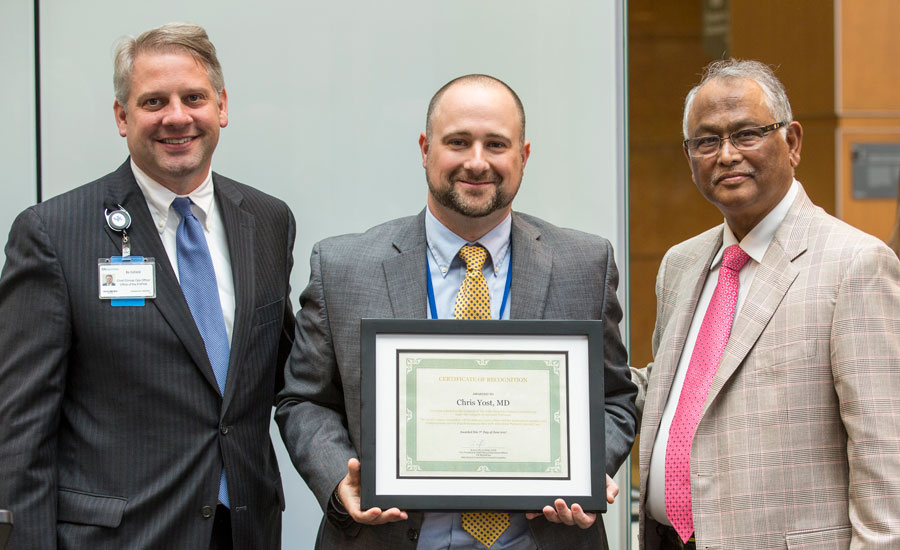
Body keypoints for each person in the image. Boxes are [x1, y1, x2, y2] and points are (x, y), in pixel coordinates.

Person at [276, 74, 637, 549]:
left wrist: (588, 472)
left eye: (496, 144)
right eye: (458, 142)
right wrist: (338, 478)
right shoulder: (342, 267)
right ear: (426, 149)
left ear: (523, 157)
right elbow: (303, 399)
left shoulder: (584, 264)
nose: (476, 161)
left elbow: (615, 399)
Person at [0, 23, 295, 549]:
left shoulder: (268, 222)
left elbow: (286, 381)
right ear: (122, 116)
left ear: (221, 107)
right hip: (121, 537)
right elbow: (21, 429)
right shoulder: (53, 233)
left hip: (246, 529)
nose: (176, 117)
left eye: (194, 98)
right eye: (154, 101)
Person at [632, 59, 900, 549]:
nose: (727, 155)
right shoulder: (680, 265)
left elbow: (887, 464)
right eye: (707, 141)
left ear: (792, 142)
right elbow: (673, 389)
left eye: (748, 134)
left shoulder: (856, 265)